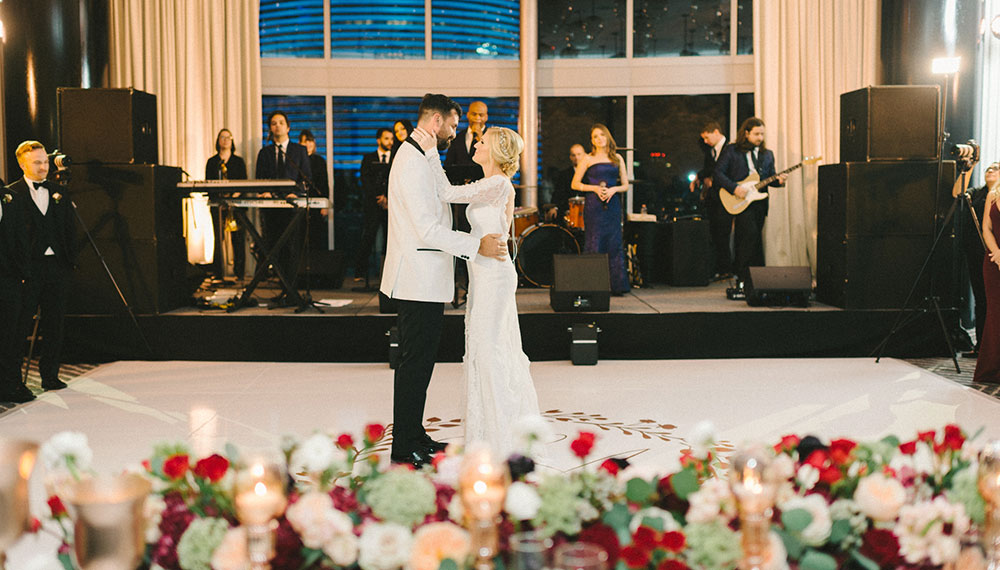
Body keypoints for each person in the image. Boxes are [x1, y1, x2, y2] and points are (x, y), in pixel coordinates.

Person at [379, 94, 507, 467]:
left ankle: (414, 434)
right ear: (436, 121)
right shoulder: (411, 161)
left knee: (420, 363)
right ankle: (404, 449)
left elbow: (443, 194)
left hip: (425, 278)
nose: (456, 132)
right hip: (417, 279)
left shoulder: (421, 155)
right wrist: (475, 246)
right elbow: (427, 228)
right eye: (453, 125)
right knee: (414, 364)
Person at [417, 125, 541, 457]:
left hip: (494, 276)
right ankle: (488, 435)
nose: (476, 143)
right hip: (484, 273)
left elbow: (445, 193)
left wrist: (430, 153)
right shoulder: (492, 185)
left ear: (496, 151)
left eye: (482, 142)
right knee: (484, 350)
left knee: (489, 352)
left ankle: (500, 442)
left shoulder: (497, 183)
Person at [9, 141, 75, 392]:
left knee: (55, 324)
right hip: (28, 270)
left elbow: (69, 229)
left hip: (56, 267)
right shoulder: (12, 194)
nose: (43, 167)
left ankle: (50, 375)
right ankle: (14, 380)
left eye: (45, 161)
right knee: (20, 325)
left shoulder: (60, 192)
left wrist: (69, 261)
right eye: (37, 162)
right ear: (22, 164)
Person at [713, 117, 787, 287]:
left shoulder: (767, 154)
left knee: (754, 240)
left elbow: (770, 178)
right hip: (740, 200)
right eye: (756, 134)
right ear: (746, 133)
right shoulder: (732, 150)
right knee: (747, 237)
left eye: (762, 134)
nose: (760, 137)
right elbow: (718, 173)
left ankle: (753, 279)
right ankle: (743, 276)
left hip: (759, 202)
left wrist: (779, 181)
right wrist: (734, 188)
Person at [255, 111, 311, 303]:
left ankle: (292, 290)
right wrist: (265, 191)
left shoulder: (299, 150)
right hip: (272, 210)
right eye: (273, 123)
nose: (276, 126)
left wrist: (296, 193)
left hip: (292, 208)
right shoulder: (264, 153)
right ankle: (284, 288)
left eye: (280, 123)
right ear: (270, 128)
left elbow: (306, 178)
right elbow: (260, 179)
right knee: (275, 249)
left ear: (288, 127)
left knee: (291, 249)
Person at [571, 123, 631, 295]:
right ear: (592, 141)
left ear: (607, 137)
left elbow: (625, 185)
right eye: (595, 136)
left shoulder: (617, 158)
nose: (599, 139)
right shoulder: (587, 159)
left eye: (602, 135)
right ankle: (593, 285)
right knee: (594, 241)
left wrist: (613, 189)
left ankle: (617, 286)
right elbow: (575, 183)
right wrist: (595, 188)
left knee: (614, 242)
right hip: (594, 205)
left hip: (612, 204)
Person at [444, 101, 489, 307]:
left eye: (481, 115)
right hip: (462, 201)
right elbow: (448, 166)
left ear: (486, 117)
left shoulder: (491, 138)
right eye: (474, 114)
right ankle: (466, 284)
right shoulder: (458, 137)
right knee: (464, 239)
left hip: (484, 199)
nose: (477, 118)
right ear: (468, 116)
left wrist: (482, 139)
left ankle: (481, 287)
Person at [957, 162, 997, 358]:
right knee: (982, 300)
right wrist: (969, 167)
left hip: (995, 252)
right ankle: (982, 347)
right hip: (977, 252)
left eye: (996, 168)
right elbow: (958, 192)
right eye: (988, 168)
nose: (991, 171)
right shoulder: (978, 193)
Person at [0, 180, 33, 403]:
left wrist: (21, 272)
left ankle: (10, 385)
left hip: (8, 279)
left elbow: (22, 238)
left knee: (9, 335)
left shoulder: (10, 198)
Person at [205, 128, 248, 279]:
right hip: (218, 205)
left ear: (232, 141)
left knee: (238, 239)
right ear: (218, 141)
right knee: (218, 239)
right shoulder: (212, 162)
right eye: (222, 137)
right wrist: (220, 200)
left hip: (236, 205)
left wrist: (233, 199)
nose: (225, 140)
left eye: (228, 137)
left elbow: (243, 183)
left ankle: (239, 273)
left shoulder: (238, 161)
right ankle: (218, 273)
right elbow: (208, 184)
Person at [692, 122, 732, 279]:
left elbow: (719, 170)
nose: (706, 142)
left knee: (723, 233)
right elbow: (710, 169)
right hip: (714, 198)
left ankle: (726, 269)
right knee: (715, 233)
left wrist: (706, 177)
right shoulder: (711, 152)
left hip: (727, 197)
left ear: (716, 132)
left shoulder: (730, 149)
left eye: (707, 137)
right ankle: (719, 269)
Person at [354, 128, 393, 282]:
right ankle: (361, 272)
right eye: (386, 138)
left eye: (391, 139)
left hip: (391, 205)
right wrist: (379, 197)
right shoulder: (368, 158)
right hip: (372, 203)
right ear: (378, 140)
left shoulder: (396, 158)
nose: (390, 142)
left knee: (390, 239)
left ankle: (387, 272)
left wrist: (388, 198)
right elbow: (365, 180)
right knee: (368, 236)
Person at [975, 177, 1000, 383]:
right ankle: (991, 369)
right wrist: (997, 252)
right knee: (995, 314)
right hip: (993, 261)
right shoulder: (993, 194)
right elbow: (986, 228)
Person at [298, 129, 331, 249]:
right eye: (304, 142)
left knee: (316, 238)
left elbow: (324, 184)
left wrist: (325, 204)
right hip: (300, 204)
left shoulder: (319, 161)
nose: (308, 144)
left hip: (317, 204)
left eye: (310, 141)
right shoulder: (296, 161)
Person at [546, 143, 586, 222]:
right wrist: (555, 207)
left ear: (585, 155)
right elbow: (558, 193)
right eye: (573, 155)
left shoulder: (591, 173)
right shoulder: (564, 174)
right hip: (567, 211)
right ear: (570, 157)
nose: (576, 158)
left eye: (579, 154)